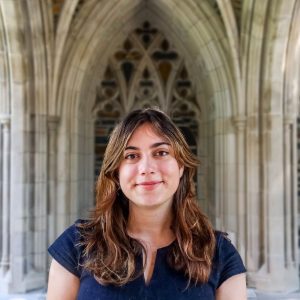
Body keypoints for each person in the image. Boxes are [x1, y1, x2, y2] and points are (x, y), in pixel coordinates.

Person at [47, 107, 247, 299]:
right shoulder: (77, 245)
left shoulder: (220, 255)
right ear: (116, 173)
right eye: (131, 156)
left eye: (161, 153)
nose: (146, 168)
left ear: (181, 167)